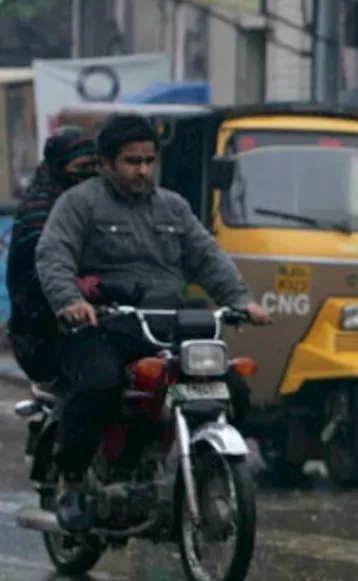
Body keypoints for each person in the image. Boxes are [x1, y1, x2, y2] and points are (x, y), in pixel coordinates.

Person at [36, 113, 270, 532]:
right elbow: (53, 255)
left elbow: (207, 257)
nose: (143, 170)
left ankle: (202, 470)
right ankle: (71, 480)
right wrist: (71, 301)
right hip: (104, 326)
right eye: (132, 161)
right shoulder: (80, 203)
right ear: (106, 162)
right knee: (100, 383)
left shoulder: (172, 207)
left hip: (166, 326)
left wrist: (240, 301)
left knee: (231, 388)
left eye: (149, 160)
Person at [4, 126, 99, 383]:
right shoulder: (40, 210)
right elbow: (42, 266)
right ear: (59, 166)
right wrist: (75, 292)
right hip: (43, 331)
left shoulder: (99, 204)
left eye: (96, 164)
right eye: (82, 166)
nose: (91, 175)